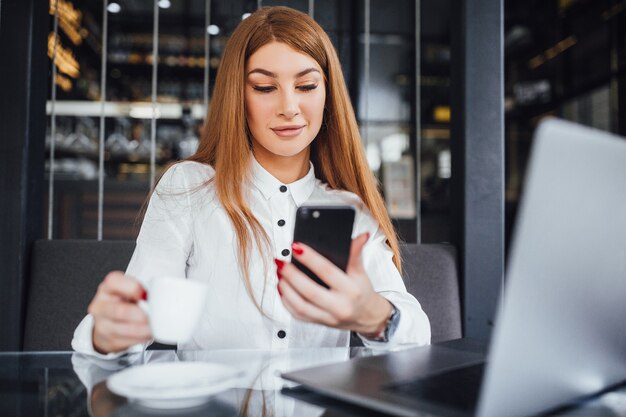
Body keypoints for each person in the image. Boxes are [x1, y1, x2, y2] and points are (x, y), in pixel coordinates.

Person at [72, 6, 430, 357]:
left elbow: (417, 332)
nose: (289, 107)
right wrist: (108, 335)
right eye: (263, 87)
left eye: (306, 85)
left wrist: (375, 316)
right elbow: (137, 307)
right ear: (237, 97)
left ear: (328, 95)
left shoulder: (347, 206)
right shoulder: (189, 187)